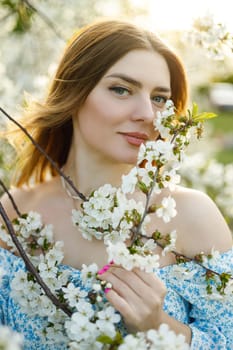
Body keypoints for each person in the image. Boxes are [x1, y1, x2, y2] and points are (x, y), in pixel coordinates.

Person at [0, 19, 233, 349]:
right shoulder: (15, 214)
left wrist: (158, 327)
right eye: (121, 89)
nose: (147, 114)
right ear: (75, 92)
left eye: (160, 99)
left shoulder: (192, 218)